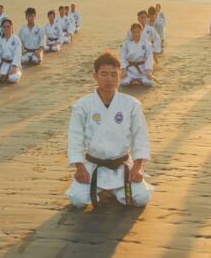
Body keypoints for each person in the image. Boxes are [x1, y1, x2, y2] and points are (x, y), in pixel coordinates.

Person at [66, 52, 154, 208]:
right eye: (104, 74)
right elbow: (75, 138)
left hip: (122, 166)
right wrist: (80, 168)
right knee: (77, 200)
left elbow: (141, 137)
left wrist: (137, 167)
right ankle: (107, 191)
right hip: (93, 167)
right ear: (95, 76)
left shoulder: (131, 105)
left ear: (120, 75)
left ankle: (113, 191)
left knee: (141, 198)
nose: (109, 79)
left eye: (114, 74)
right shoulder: (82, 105)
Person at [0, 18, 23, 84]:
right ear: (2, 28)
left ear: (12, 27)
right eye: (4, 27)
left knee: (13, 78)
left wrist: (14, 66)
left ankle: (12, 74)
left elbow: (17, 54)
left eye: (8, 26)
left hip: (13, 64)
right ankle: (3, 76)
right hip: (3, 63)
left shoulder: (16, 40)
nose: (6, 28)